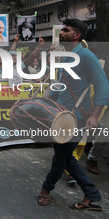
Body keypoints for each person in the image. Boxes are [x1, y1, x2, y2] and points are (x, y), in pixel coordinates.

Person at [38, 19, 109, 211]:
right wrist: (43, 103)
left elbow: (102, 87)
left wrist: (95, 116)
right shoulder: (65, 57)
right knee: (66, 157)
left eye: (65, 31)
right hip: (61, 117)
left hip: (75, 119)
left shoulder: (87, 56)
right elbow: (58, 87)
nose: (61, 34)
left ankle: (46, 189)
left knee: (61, 157)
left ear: (76, 35)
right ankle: (91, 194)